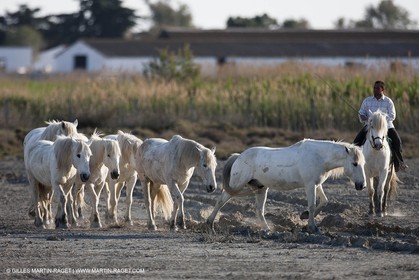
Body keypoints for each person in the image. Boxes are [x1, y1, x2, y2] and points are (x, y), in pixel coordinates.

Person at [353, 80, 408, 172]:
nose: (375, 90)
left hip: (387, 127)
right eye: (374, 88)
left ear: (382, 89)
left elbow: (392, 115)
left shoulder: (388, 101)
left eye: (377, 88)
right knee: (356, 142)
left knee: (397, 141)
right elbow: (361, 113)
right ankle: (354, 161)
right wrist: (362, 116)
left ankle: (399, 163)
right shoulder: (367, 101)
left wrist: (380, 121)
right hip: (370, 127)